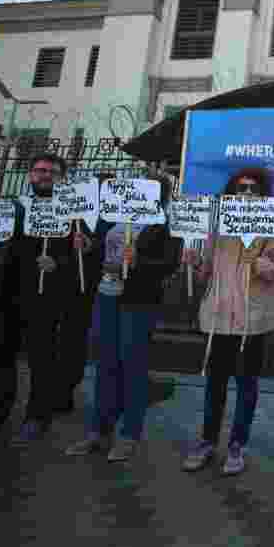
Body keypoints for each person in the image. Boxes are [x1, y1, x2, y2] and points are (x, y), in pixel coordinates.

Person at [0, 152, 77, 448]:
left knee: (41, 361)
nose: (45, 175)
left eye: (52, 172)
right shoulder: (14, 206)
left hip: (44, 296)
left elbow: (82, 258)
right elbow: (2, 243)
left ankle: (36, 418)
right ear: (30, 174)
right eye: (40, 170)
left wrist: (57, 263)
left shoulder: (71, 212)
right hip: (6, 292)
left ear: (61, 178)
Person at [181, 168, 274, 474]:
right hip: (217, 317)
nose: (246, 193)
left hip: (251, 321)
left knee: (246, 384)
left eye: (252, 189)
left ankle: (236, 445)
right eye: (240, 187)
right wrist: (195, 263)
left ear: (261, 194)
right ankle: (207, 441)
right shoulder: (217, 229)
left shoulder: (272, 229)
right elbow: (206, 274)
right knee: (214, 383)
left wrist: (259, 262)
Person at [65, 175, 181, 462]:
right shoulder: (112, 216)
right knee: (105, 363)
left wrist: (139, 262)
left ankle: (129, 435)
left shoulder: (166, 222)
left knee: (133, 365)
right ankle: (98, 431)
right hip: (106, 295)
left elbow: (170, 264)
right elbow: (98, 249)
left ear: (159, 194)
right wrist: (87, 245)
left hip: (139, 300)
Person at [54, 171, 114, 415]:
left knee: (93, 339)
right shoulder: (74, 212)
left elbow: (114, 240)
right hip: (74, 283)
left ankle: (105, 395)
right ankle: (63, 389)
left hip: (106, 283)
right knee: (72, 336)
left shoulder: (111, 214)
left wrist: (91, 245)